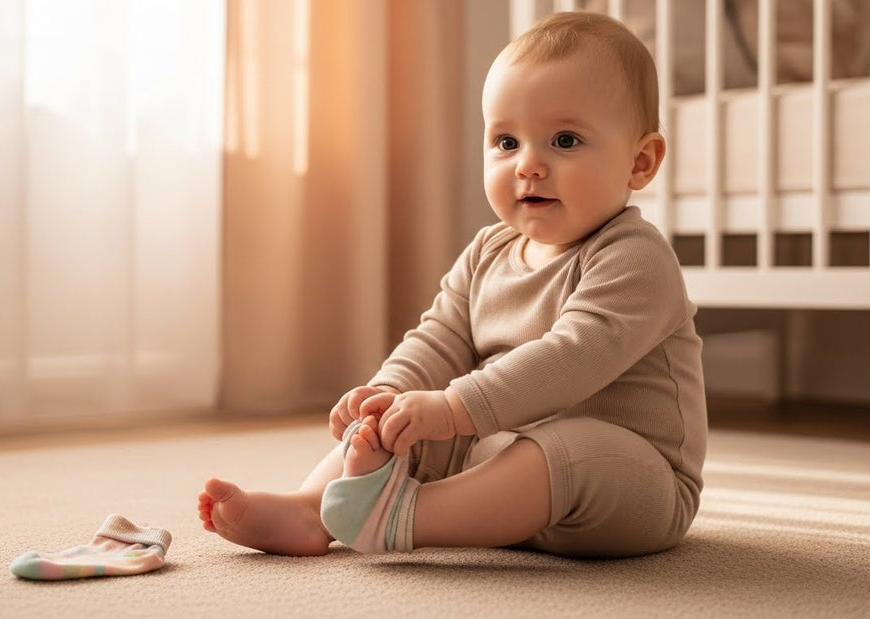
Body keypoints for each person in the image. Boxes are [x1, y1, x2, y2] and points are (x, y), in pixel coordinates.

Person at [197, 11, 706, 559]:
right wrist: (391, 393)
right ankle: (314, 508)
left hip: (629, 485)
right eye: (507, 142)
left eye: (564, 140)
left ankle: (405, 518)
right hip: (503, 463)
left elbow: (574, 355)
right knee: (401, 426)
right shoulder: (488, 252)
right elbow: (439, 338)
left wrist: (455, 406)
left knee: (568, 446)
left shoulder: (635, 258)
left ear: (640, 161)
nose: (528, 165)